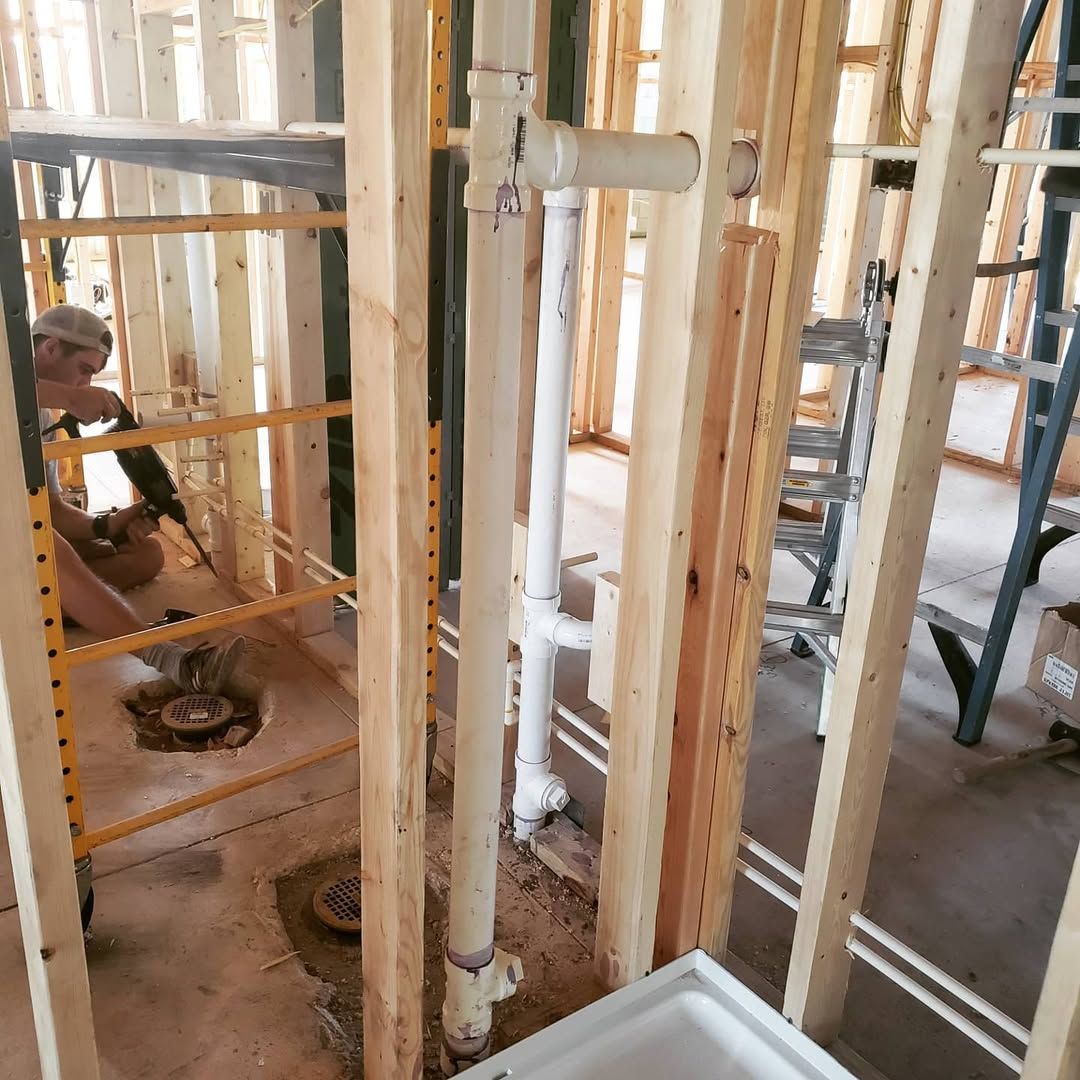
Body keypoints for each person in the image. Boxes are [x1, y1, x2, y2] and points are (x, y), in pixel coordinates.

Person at [32, 304, 244, 694]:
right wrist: (69, 396)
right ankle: (172, 660)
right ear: (50, 348)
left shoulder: (41, 415)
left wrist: (108, 525)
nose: (85, 383)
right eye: (83, 370)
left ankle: (65, 604)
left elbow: (50, 508)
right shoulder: (17, 390)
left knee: (147, 555)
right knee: (46, 547)